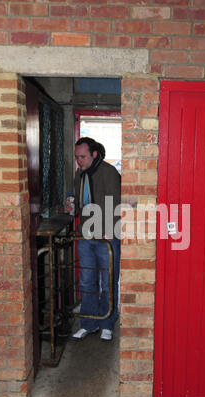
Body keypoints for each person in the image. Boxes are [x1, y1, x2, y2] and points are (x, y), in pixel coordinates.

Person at [70, 137, 121, 341]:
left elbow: (116, 203)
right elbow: (79, 203)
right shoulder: (80, 174)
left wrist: (109, 230)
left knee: (108, 282)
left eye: (82, 157)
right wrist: (71, 206)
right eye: (76, 157)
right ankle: (88, 323)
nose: (79, 161)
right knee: (87, 280)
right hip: (86, 234)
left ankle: (106, 324)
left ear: (94, 154)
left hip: (107, 237)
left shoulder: (109, 172)